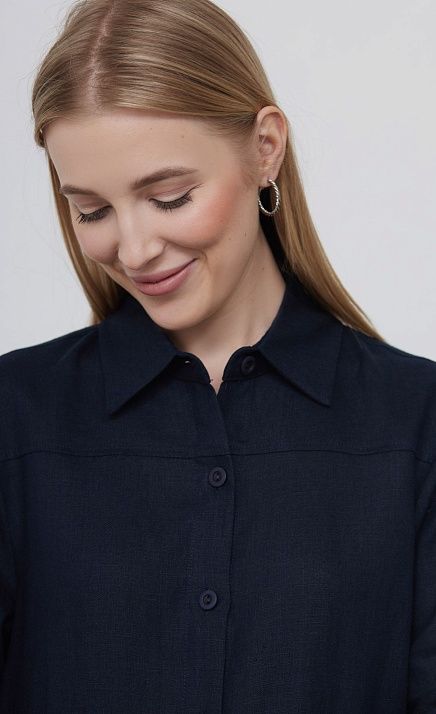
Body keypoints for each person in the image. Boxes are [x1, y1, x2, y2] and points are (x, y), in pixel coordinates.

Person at [1, 0, 435, 711]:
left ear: (265, 148)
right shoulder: (14, 417)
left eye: (170, 197)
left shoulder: (417, 422)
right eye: (92, 211)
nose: (134, 250)